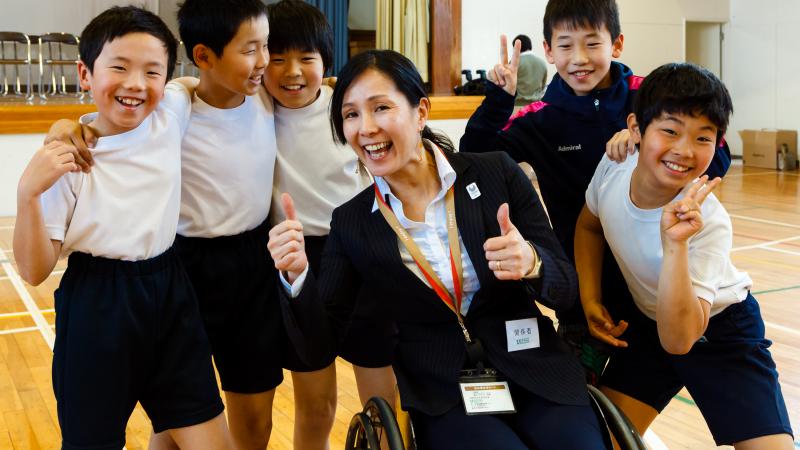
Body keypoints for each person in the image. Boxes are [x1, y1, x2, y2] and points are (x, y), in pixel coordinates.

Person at [268, 49, 607, 450]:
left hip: (534, 365)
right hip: (444, 389)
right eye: (351, 115)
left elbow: (565, 287)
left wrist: (531, 261)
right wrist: (296, 277)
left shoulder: (496, 173)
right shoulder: (354, 223)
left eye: (381, 108)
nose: (366, 128)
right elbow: (318, 345)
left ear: (421, 111)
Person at [460, 0, 731, 383]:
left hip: (661, 278)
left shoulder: (649, 99)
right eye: (566, 45)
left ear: (616, 44)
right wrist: (498, 101)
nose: (580, 58)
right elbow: (473, 157)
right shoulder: (538, 118)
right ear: (549, 51)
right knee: (589, 398)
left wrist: (647, 143)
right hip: (586, 284)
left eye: (592, 43)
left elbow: (715, 157)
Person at [13, 6, 233, 449]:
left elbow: (223, 81)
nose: (136, 84)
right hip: (98, 304)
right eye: (119, 67)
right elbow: (35, 270)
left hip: (171, 290)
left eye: (153, 71)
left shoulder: (171, 109)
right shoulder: (67, 160)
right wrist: (27, 195)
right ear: (85, 73)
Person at [574, 62, 794, 449]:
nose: (684, 150)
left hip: (720, 332)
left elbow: (681, 339)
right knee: (596, 441)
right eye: (671, 131)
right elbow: (589, 227)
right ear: (636, 129)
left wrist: (675, 243)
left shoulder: (708, 221)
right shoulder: (614, 164)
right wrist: (591, 299)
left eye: (703, 138)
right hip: (648, 328)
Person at [263, 1, 395, 449]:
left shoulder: (347, 110)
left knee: (382, 398)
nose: (292, 71)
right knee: (316, 403)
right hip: (301, 264)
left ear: (326, 61)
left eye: (306, 58)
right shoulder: (255, 110)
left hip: (361, 252)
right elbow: (189, 88)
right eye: (277, 58)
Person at [510, 34, 547, 107]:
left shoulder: (514, 63)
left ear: (516, 47)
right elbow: (543, 86)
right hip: (536, 107)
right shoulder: (542, 63)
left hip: (516, 106)